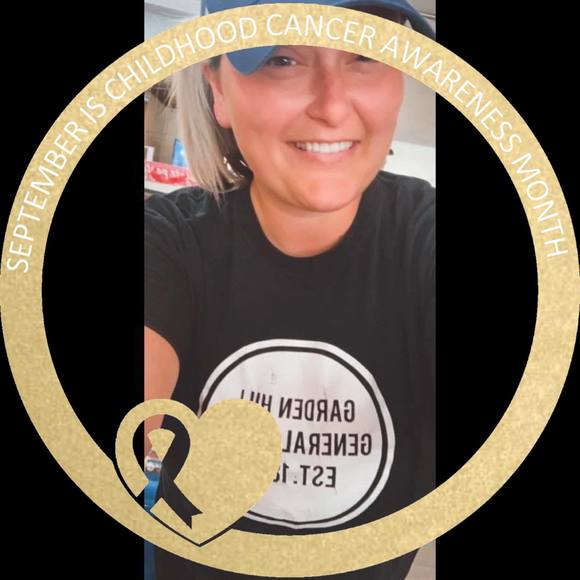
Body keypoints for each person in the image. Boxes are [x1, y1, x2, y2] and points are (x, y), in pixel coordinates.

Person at [144, 0, 435, 578]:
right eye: (282, 59)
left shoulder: (423, 238)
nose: (333, 105)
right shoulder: (168, 242)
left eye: (366, 53)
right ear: (218, 89)